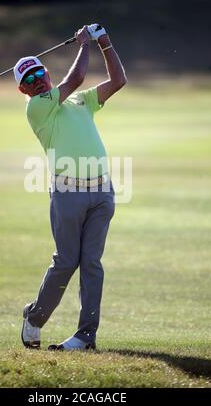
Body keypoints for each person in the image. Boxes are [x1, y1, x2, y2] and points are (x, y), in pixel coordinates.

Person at [13, 24, 127, 351]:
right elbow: (74, 78)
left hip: (102, 192)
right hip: (68, 194)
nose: (36, 82)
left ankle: (85, 336)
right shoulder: (37, 108)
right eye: (29, 81)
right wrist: (84, 44)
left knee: (91, 263)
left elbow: (118, 81)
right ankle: (35, 318)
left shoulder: (80, 101)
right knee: (66, 261)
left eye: (38, 74)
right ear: (24, 90)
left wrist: (105, 41)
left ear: (46, 73)